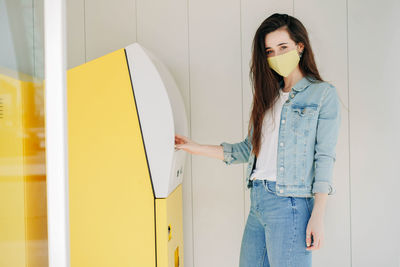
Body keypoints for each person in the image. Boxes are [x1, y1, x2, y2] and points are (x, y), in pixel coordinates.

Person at [175, 13, 341, 267]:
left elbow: (324, 158)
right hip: (258, 202)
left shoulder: (322, 94)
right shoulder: (268, 97)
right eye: (270, 51)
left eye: (283, 47)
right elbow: (246, 150)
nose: (276, 56)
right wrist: (193, 147)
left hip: (291, 204)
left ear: (300, 46)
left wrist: (318, 216)